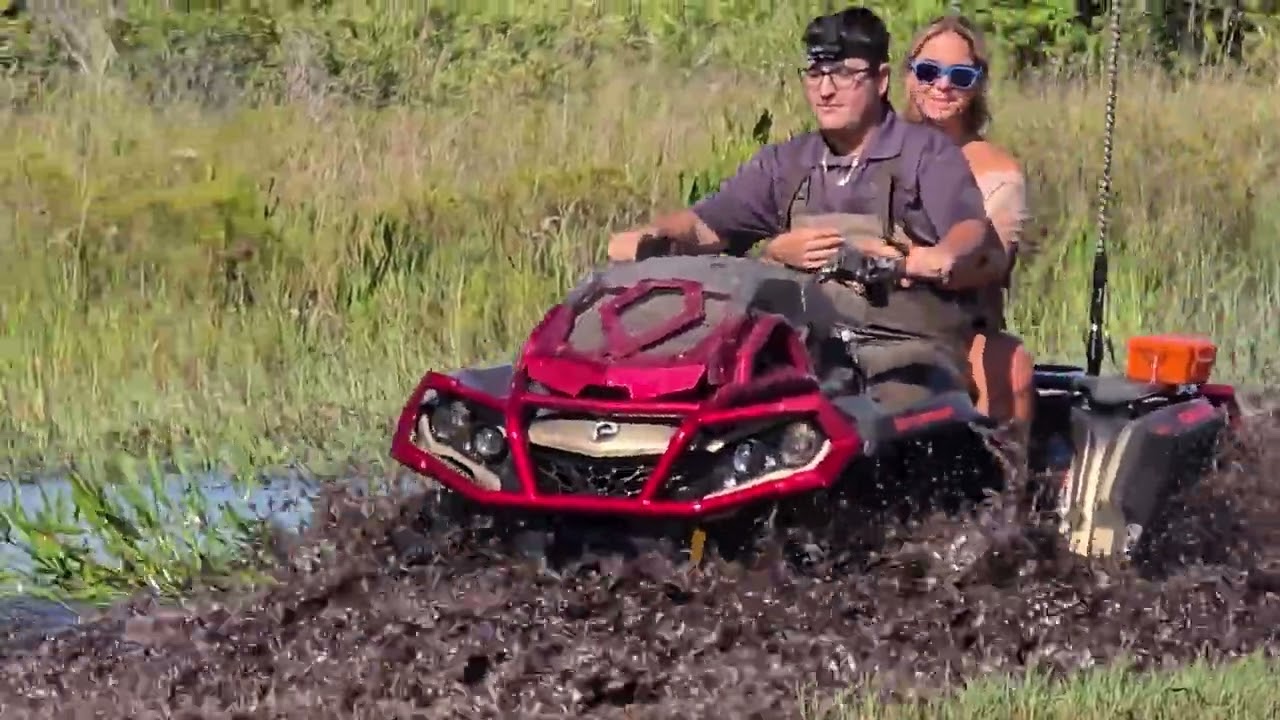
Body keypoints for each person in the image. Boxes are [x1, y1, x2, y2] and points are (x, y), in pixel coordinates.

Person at [607, 7, 1008, 410]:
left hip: (905, 352)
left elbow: (969, 230)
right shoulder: (786, 163)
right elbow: (706, 226)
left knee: (886, 435)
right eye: (816, 75)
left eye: (845, 74)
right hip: (804, 350)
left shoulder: (926, 154)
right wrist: (656, 236)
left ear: (882, 80)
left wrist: (926, 258)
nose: (825, 90)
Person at [903, 15, 1034, 429]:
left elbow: (991, 264)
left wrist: (908, 261)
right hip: (862, 317)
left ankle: (1004, 487)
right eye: (928, 72)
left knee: (1007, 365)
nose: (942, 86)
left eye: (959, 75)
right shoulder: (875, 149)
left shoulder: (997, 170)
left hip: (955, 328)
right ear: (907, 78)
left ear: (977, 84)